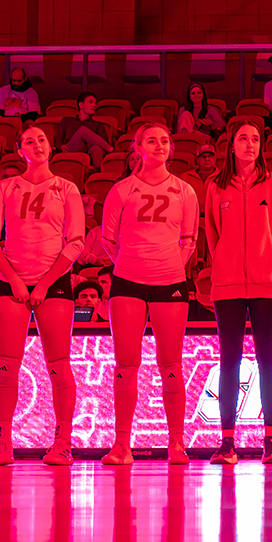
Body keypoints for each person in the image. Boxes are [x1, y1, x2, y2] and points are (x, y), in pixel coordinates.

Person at [0, 124, 87, 465]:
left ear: (51, 147)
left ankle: (63, 442)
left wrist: (44, 283)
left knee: (59, 366)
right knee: (7, 368)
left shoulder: (66, 188)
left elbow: (76, 241)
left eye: (41, 139)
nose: (36, 144)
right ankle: (3, 441)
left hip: (53, 282)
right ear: (19, 149)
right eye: (29, 140)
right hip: (10, 282)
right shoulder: (5, 187)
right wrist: (12, 278)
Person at [100, 123, 201, 465]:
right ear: (138, 147)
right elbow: (107, 239)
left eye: (164, 140)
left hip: (169, 282)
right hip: (127, 282)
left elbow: (189, 240)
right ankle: (121, 445)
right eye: (151, 140)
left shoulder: (185, 191)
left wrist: (168, 265)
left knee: (170, 363)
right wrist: (131, 264)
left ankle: (176, 443)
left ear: (171, 148)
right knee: (126, 365)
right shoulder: (122, 190)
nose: (159, 145)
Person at [202, 121, 272, 465]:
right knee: (230, 360)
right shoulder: (215, 187)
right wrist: (226, 265)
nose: (250, 144)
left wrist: (270, 264)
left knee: (267, 360)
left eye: (256, 139)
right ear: (231, 145)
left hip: (268, 284)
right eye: (243, 138)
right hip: (227, 286)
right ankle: (227, 442)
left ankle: (270, 441)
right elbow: (212, 235)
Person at [58, 93, 114, 162]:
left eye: (95, 103)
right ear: (81, 105)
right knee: (83, 130)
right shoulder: (67, 121)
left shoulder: (98, 125)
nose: (94, 105)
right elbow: (58, 141)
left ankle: (96, 171)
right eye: (91, 102)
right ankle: (112, 150)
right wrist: (61, 146)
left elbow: (104, 144)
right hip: (70, 150)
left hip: (88, 152)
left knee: (97, 148)